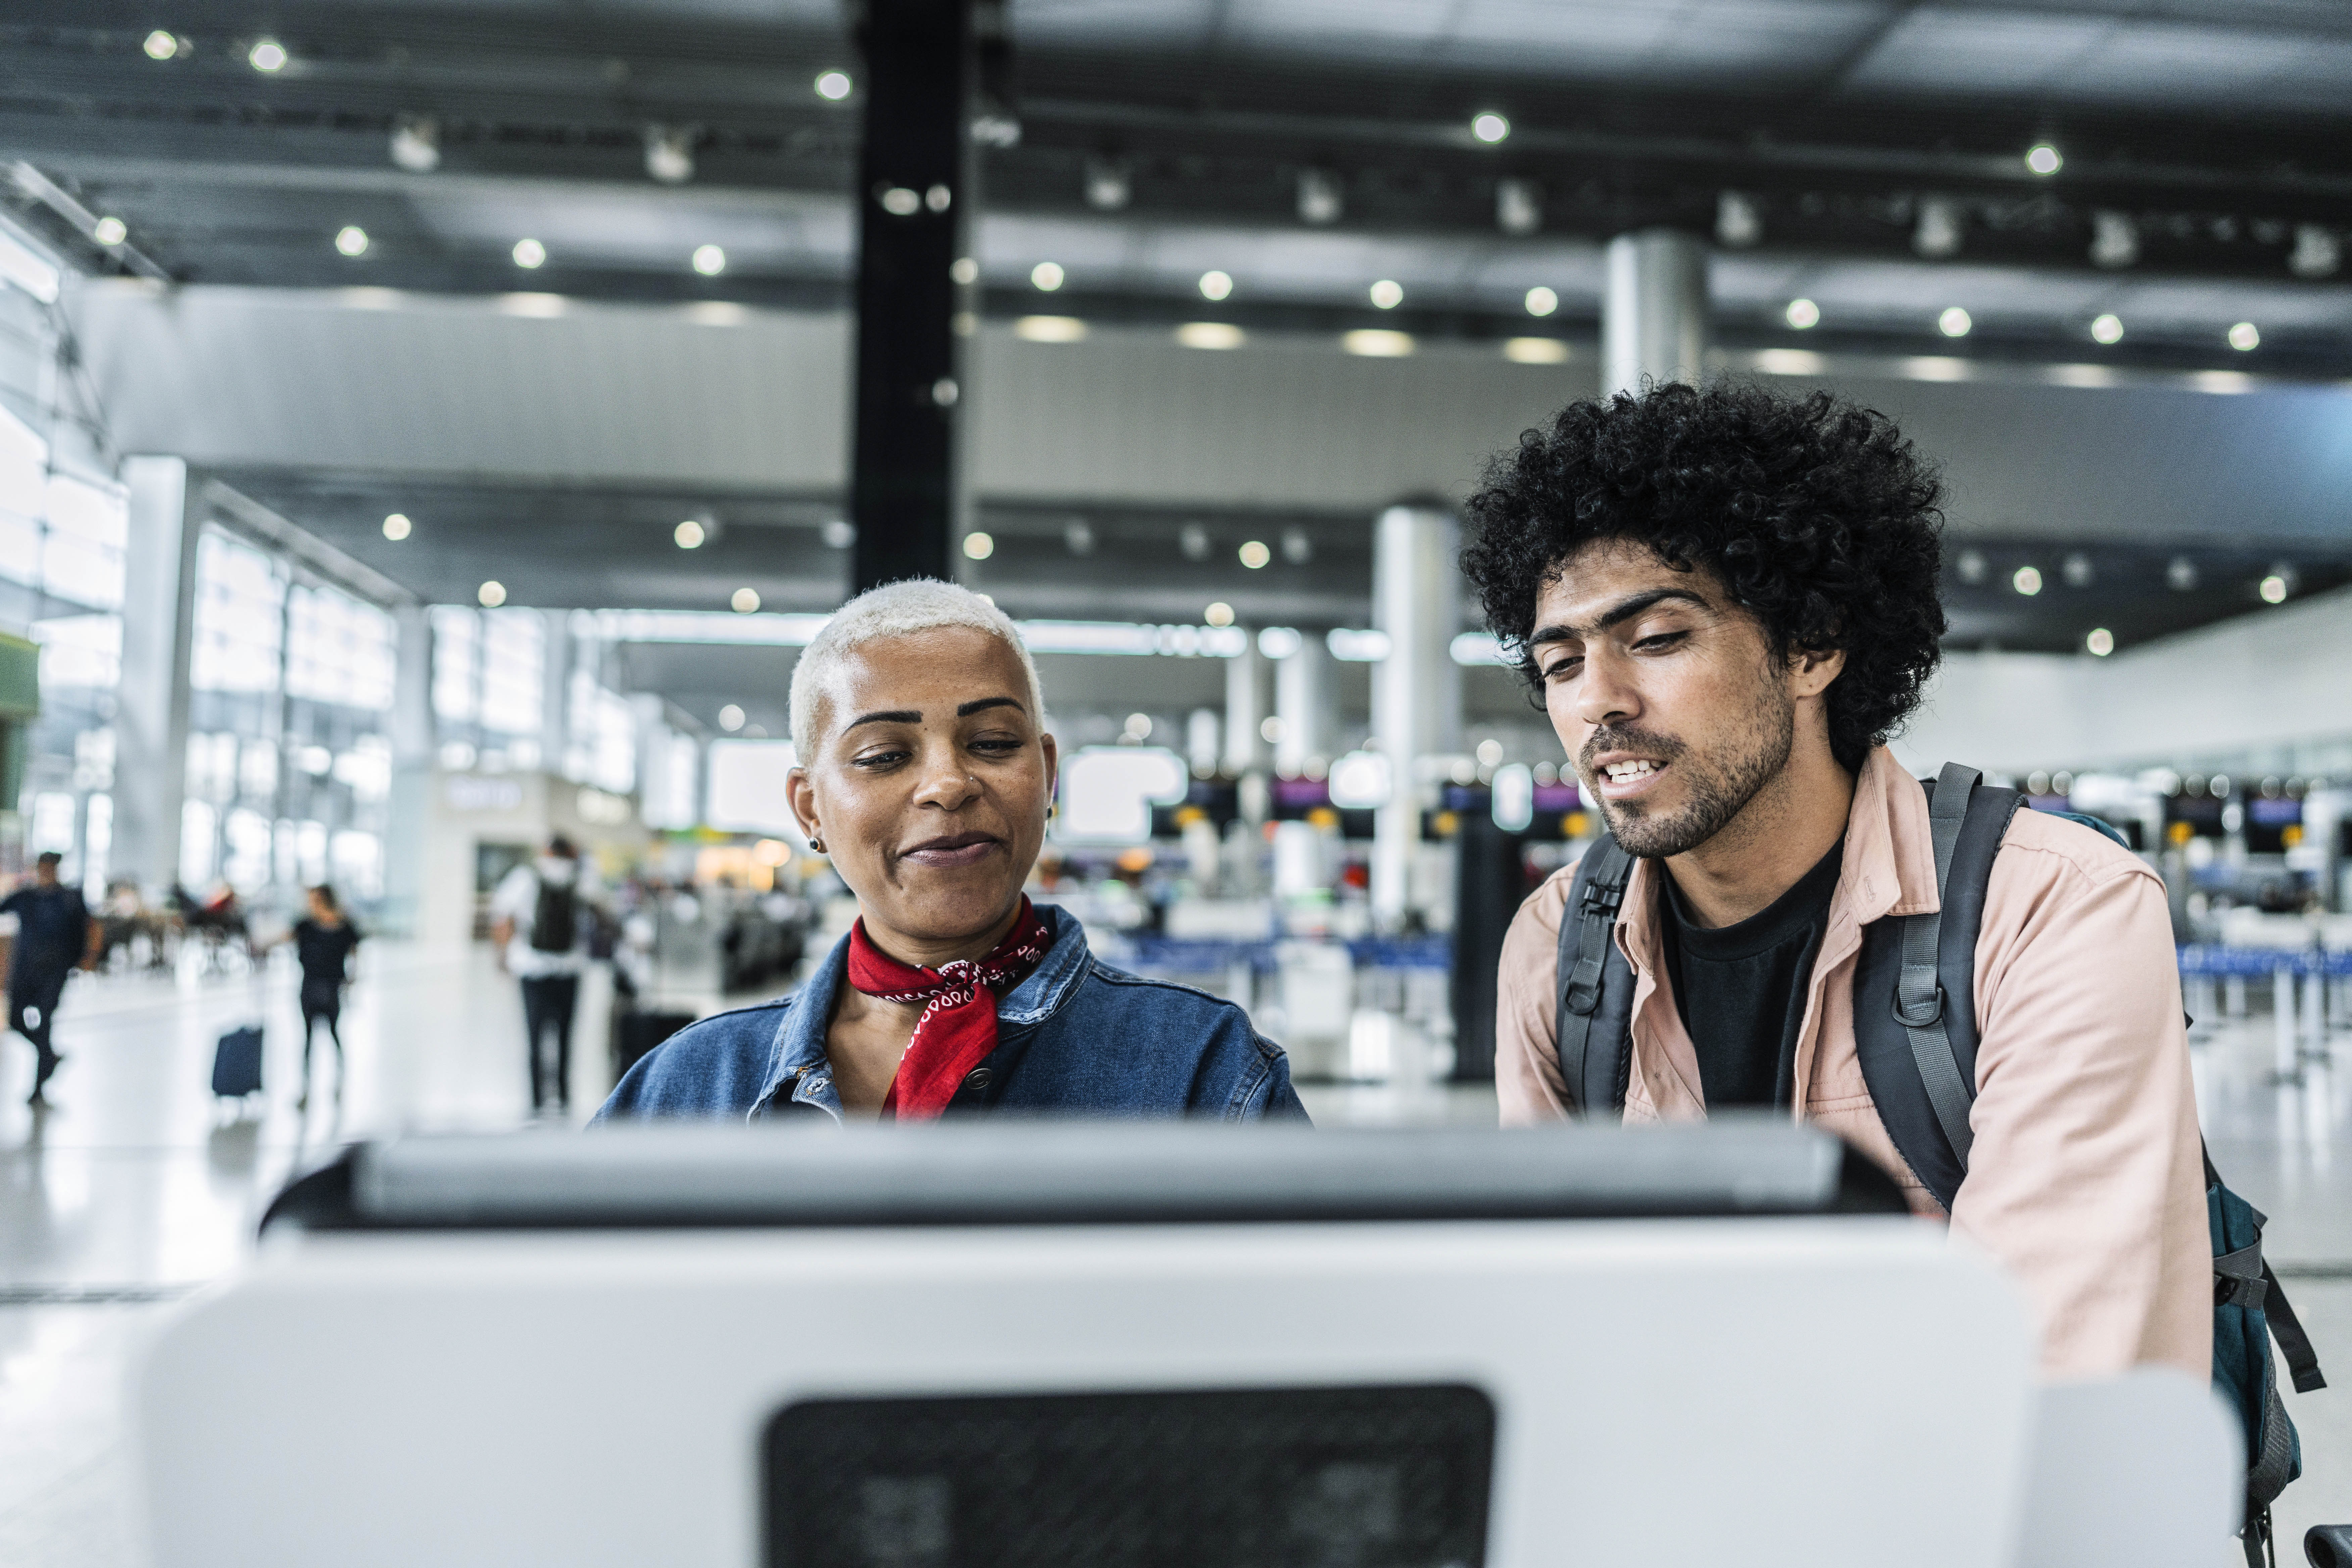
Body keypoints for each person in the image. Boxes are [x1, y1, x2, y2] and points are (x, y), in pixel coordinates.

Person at [1459, 381, 2204, 1381]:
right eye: (1559, 664)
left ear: (1809, 645)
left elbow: (2039, 1378)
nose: (1597, 700)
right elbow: (1551, 1332)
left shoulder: (2048, 911)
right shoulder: (1558, 947)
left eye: (1656, 639)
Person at [599, 579, 1307, 1123]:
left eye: (994, 743)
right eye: (882, 754)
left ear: (1048, 775)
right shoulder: (686, 1091)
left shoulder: (1206, 1076)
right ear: (809, 806)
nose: (947, 783)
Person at [491, 835, 597, 1116]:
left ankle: (537, 1102)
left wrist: (501, 958)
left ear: (547, 851)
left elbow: (502, 916)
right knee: (566, 1038)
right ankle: (563, 1099)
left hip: (532, 969)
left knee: (535, 1037)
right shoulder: (581, 878)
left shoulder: (526, 876)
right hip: (570, 969)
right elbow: (598, 915)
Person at [1, 852, 97, 1106]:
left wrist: (87, 960)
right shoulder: (26, 896)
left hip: (54, 972)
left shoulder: (69, 899)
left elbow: (89, 929)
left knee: (44, 1026)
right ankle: (49, 1057)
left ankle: (38, 1087)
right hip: (24, 971)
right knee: (16, 1021)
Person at [289, 884, 361, 1109]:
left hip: (331, 987)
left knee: (333, 1032)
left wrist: (353, 976)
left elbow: (354, 950)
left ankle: (340, 1077)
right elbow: (287, 937)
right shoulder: (306, 925)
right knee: (308, 1036)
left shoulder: (343, 925)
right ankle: (306, 1085)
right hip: (309, 985)